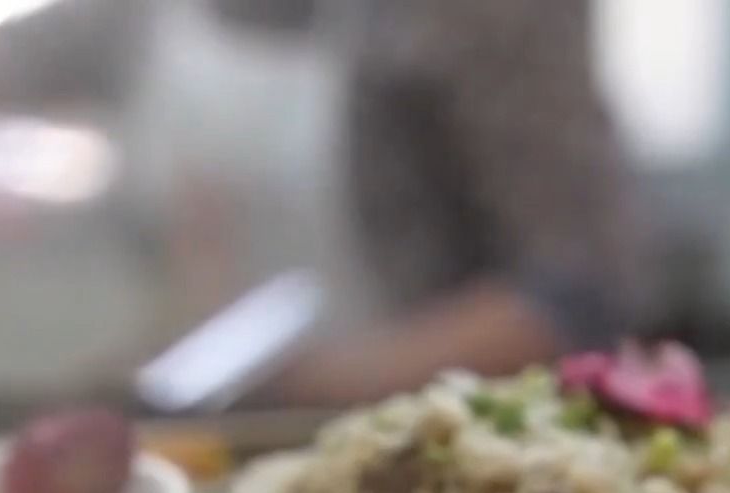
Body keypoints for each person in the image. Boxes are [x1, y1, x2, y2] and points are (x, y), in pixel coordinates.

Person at [253, 0, 649, 405]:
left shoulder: (489, 15)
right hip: (240, 422)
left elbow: (576, 292)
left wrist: (299, 386)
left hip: (438, 416)